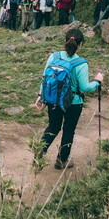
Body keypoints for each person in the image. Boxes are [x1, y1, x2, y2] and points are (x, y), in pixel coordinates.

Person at [34, 29, 103, 169]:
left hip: (53, 100)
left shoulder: (54, 56)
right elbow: (85, 87)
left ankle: (38, 153)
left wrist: (41, 96)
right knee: (68, 130)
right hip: (73, 102)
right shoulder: (81, 63)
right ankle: (61, 161)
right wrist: (97, 81)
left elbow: (45, 78)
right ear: (81, 44)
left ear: (65, 41)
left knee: (53, 126)